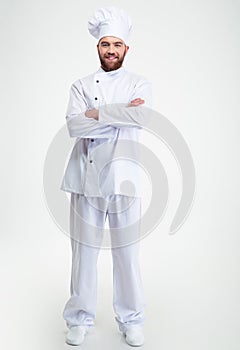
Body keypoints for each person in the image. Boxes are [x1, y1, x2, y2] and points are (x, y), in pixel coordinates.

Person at [61, 6, 152, 347]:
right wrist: (121, 114)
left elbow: (141, 117)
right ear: (97, 48)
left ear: (126, 48)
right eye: (105, 44)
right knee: (84, 254)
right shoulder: (80, 85)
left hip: (125, 178)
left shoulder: (140, 83)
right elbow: (74, 126)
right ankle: (79, 319)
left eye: (116, 44)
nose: (111, 50)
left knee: (126, 254)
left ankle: (131, 319)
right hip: (85, 179)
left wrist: (97, 113)